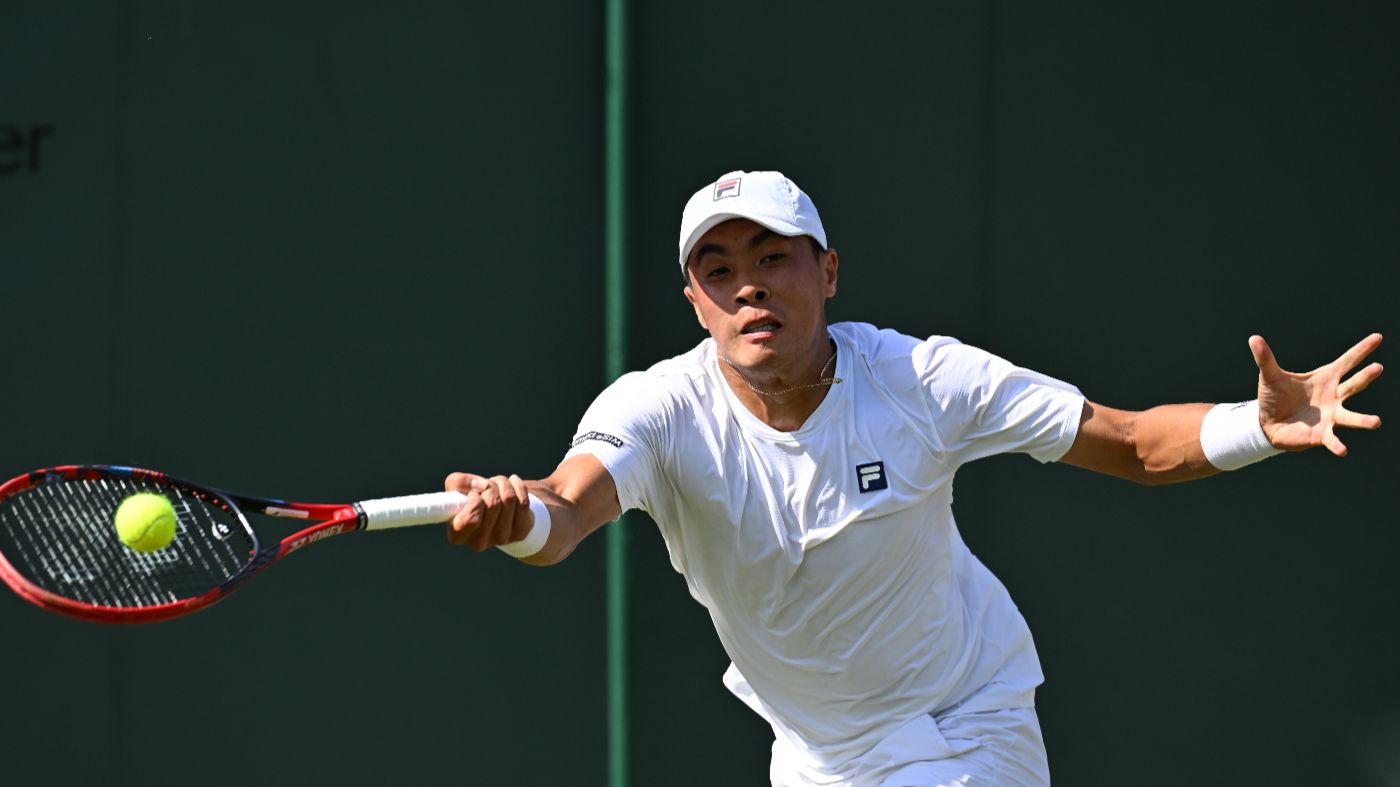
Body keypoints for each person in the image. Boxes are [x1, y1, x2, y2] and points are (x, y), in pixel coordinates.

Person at [443, 171, 1384, 786]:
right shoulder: (656, 410)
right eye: (719, 270)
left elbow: (1131, 441)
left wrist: (1257, 425)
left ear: (828, 271)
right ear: (696, 302)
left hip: (962, 726)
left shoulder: (925, 381)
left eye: (772, 257)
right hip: (815, 757)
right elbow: (565, 507)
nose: (749, 286)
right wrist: (517, 517)